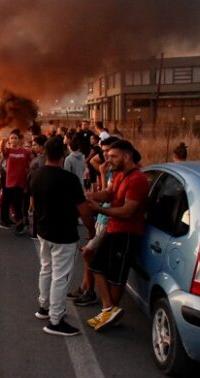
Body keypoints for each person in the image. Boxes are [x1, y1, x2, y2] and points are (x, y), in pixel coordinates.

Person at [30, 137, 95, 337]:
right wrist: (92, 231)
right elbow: (84, 210)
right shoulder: (69, 180)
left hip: (43, 231)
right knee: (61, 277)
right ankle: (55, 320)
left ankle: (44, 307)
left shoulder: (35, 175)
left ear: (45, 153)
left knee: (46, 269)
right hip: (64, 235)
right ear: (63, 155)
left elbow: (32, 204)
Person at [86, 140, 150, 331]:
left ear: (126, 156)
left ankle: (109, 314)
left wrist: (99, 210)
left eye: (113, 156)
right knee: (96, 265)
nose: (108, 159)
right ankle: (109, 309)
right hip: (113, 230)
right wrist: (90, 196)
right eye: (108, 155)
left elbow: (128, 211)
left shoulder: (137, 179)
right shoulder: (119, 174)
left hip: (127, 234)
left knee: (116, 278)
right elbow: (109, 194)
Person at [68, 136, 119, 307]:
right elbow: (105, 192)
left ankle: (92, 293)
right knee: (89, 254)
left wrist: (98, 203)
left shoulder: (119, 173)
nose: (106, 157)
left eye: (110, 153)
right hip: (101, 216)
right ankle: (84, 288)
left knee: (88, 253)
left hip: (107, 218)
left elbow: (110, 197)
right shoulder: (110, 168)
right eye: (104, 152)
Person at [0, 130, 32, 234]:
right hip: (10, 182)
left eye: (15, 138)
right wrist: (3, 142)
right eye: (11, 138)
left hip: (21, 181)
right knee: (12, 203)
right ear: (9, 140)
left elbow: (29, 165)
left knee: (18, 204)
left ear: (19, 140)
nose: (13, 140)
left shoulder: (25, 152)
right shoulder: (8, 151)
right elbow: (3, 150)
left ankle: (21, 223)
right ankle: (19, 223)